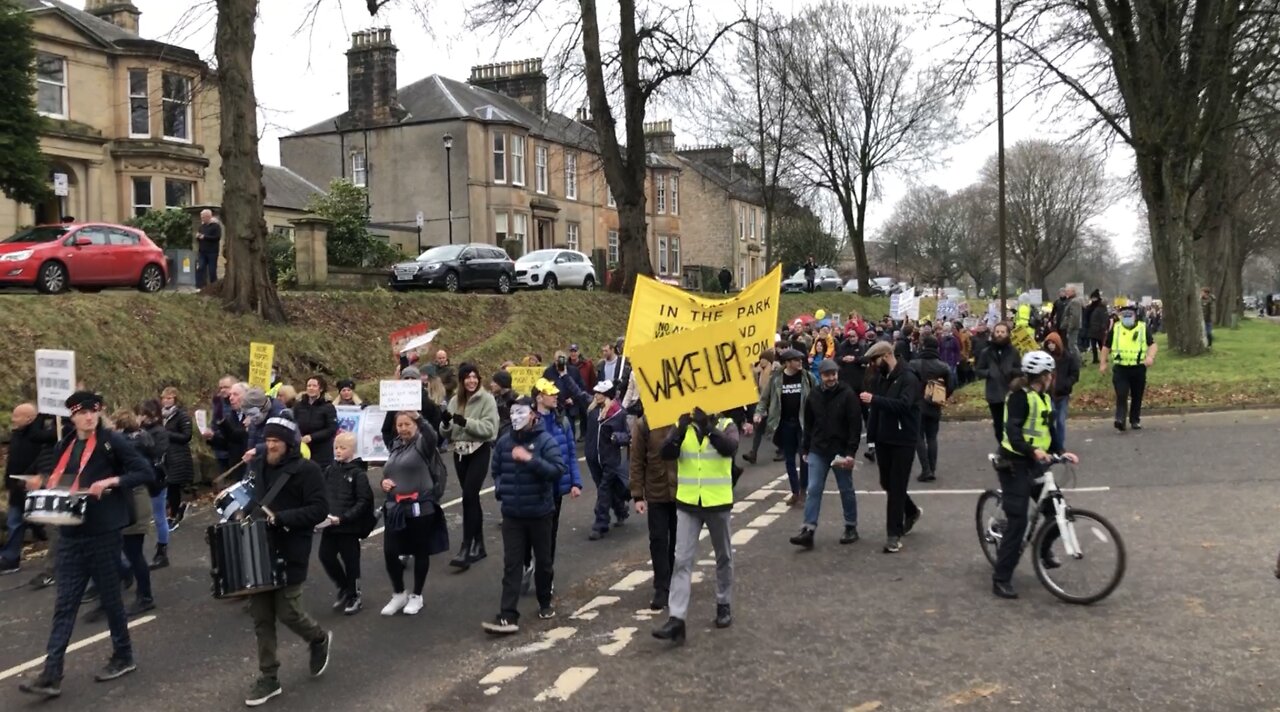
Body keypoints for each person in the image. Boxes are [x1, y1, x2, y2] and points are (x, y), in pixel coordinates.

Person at [18, 391, 153, 699]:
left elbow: (144, 471)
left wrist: (111, 482)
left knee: (110, 598)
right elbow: (65, 481)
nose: (89, 417)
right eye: (82, 413)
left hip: (103, 532)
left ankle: (124, 655)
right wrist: (42, 483)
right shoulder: (65, 444)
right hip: (71, 533)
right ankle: (51, 674)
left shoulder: (111, 441)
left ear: (98, 413)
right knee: (64, 604)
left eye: (93, 412)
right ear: (73, 417)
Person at [241, 415, 331, 707]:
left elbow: (319, 510)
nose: (271, 446)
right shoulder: (259, 465)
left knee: (288, 611)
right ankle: (269, 677)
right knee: (261, 617)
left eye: (276, 441)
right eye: (267, 441)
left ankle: (318, 638)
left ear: (289, 443)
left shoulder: (309, 471)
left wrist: (281, 519)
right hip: (258, 550)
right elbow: (253, 499)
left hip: (291, 549)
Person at [991, 351, 1080, 599]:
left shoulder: (1043, 398)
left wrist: (1061, 452)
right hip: (1013, 463)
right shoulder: (1019, 398)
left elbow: (1047, 432)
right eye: (1050, 374)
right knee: (1018, 522)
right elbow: (1013, 432)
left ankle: (1042, 549)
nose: (1053, 377)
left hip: (1034, 462)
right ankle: (1001, 578)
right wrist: (1033, 451)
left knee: (1060, 512)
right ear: (1041, 376)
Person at [652, 408, 738, 645]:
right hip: (688, 502)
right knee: (682, 560)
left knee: (724, 556)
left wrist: (708, 428)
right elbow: (666, 453)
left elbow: (730, 448)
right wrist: (679, 430)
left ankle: (723, 603)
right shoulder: (683, 426)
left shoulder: (726, 423)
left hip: (717, 502)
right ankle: (676, 618)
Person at [483, 398, 566, 634]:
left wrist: (530, 460)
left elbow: (557, 470)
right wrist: (502, 489)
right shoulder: (503, 442)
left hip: (540, 512)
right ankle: (507, 615)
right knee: (512, 565)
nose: (517, 418)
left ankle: (544, 601)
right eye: (513, 413)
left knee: (543, 561)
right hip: (512, 515)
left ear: (533, 415)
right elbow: (496, 470)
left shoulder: (544, 440)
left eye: (522, 413)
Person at [379, 412, 448, 616]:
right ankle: (399, 593)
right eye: (399, 425)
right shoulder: (395, 445)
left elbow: (432, 435)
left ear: (415, 425)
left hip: (421, 506)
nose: (403, 428)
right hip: (395, 507)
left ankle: (417, 596)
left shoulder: (423, 444)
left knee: (420, 551)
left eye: (407, 424)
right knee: (390, 552)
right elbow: (389, 472)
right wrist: (383, 483)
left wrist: (419, 417)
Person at [790, 359, 862, 548]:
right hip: (818, 449)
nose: (831, 378)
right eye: (827, 374)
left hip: (840, 450)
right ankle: (808, 530)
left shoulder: (847, 395)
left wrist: (850, 452)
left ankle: (850, 526)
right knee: (813, 489)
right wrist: (805, 448)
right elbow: (809, 424)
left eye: (833, 374)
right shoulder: (813, 395)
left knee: (845, 488)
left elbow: (855, 425)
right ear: (820, 376)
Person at [861, 341, 924, 554]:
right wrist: (871, 438)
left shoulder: (909, 378)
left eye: (874, 360)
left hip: (904, 439)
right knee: (886, 482)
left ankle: (893, 535)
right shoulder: (881, 378)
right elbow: (876, 412)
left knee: (896, 487)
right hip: (883, 439)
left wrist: (875, 399)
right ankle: (911, 511)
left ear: (887, 355)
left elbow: (904, 406)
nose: (873, 365)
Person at [525, 379, 582, 595]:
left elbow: (570, 454)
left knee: (550, 535)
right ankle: (526, 562)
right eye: (550, 394)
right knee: (528, 533)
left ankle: (545, 576)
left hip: (555, 489)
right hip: (533, 488)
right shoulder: (528, 421)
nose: (555, 396)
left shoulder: (563, 422)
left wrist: (575, 482)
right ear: (539, 397)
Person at [441, 364, 500, 570]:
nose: (471, 381)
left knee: (468, 497)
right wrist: (446, 423)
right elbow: (446, 433)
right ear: (462, 381)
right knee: (471, 499)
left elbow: (490, 429)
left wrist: (466, 422)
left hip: (479, 451)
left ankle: (466, 547)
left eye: (474, 377)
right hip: (459, 453)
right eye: (467, 377)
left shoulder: (487, 399)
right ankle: (479, 544)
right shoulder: (455, 400)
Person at [107, 409, 157, 617]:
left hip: (134, 499)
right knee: (121, 549)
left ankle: (145, 597)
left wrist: (115, 480)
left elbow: (144, 471)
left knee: (134, 552)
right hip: (126, 499)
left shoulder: (122, 445)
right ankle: (126, 576)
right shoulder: (133, 440)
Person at [630, 403, 678, 611]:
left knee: (678, 540)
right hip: (656, 492)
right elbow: (637, 460)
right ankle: (661, 586)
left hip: (682, 492)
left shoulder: (682, 418)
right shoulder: (644, 424)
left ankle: (675, 579)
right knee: (658, 539)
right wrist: (637, 495)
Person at [319, 432, 373, 616]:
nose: (338, 451)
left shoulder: (358, 474)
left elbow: (364, 501)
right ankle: (343, 587)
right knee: (325, 556)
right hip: (330, 524)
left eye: (343, 448)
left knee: (351, 562)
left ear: (352, 450)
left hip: (348, 527)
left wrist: (344, 518)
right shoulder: (329, 470)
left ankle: (354, 595)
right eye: (336, 447)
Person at [1, 403, 56, 575]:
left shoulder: (38, 435)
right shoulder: (17, 434)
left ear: (29, 418)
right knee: (15, 522)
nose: (13, 419)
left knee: (43, 522)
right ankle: (10, 558)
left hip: (33, 484)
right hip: (18, 485)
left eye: (17, 416)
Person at [754, 349, 814, 506]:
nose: (800, 362)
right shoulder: (776, 379)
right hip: (784, 424)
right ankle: (795, 491)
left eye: (801, 359)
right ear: (787, 363)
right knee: (789, 459)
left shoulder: (807, 377)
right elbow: (764, 399)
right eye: (796, 360)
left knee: (804, 457)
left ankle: (803, 491)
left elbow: (818, 395)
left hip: (803, 424)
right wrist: (759, 413)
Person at [584, 380, 630, 539]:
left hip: (610, 459)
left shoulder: (619, 413)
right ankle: (620, 510)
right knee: (604, 488)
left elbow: (627, 435)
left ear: (608, 395)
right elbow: (577, 392)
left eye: (600, 393)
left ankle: (600, 524)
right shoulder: (592, 410)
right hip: (593, 458)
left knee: (603, 490)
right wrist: (564, 375)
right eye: (595, 392)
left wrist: (617, 437)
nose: (596, 395)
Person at [1100, 304, 1157, 432]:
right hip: (1121, 368)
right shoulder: (1116, 328)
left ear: (1135, 316)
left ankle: (1135, 420)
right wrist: (1103, 363)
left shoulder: (1142, 328)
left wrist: (1150, 357)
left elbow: (1152, 345)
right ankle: (1120, 419)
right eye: (1124, 315)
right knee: (1121, 394)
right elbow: (1106, 347)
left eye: (1129, 315)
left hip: (1138, 368)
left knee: (1137, 395)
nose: (1126, 318)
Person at [909, 336, 953, 483]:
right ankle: (932, 469)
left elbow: (908, 383)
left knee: (918, 437)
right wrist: (940, 396)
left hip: (917, 404)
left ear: (924, 346)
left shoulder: (914, 364)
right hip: (934, 404)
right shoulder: (943, 366)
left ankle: (926, 469)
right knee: (932, 437)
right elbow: (951, 386)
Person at [137, 400, 172, 569]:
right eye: (142, 414)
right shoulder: (138, 431)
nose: (143, 418)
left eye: (147, 415)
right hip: (140, 477)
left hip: (156, 477)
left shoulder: (160, 432)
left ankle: (162, 551)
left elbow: (158, 452)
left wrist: (143, 440)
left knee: (159, 517)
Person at [975, 322, 1020, 446]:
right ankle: (1002, 446)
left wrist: (1011, 371)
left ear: (1008, 334)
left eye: (1002, 332)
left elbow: (1019, 369)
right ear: (993, 333)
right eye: (997, 332)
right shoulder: (986, 352)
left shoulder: (1013, 352)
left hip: (1010, 392)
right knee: (998, 423)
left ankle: (1012, 446)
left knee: (1011, 423)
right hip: (994, 393)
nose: (1000, 334)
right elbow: (978, 369)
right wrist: (989, 372)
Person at [160, 387, 195, 531]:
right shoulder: (161, 416)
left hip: (178, 455)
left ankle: (173, 515)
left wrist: (167, 434)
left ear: (175, 399)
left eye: (169, 398)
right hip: (165, 455)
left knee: (173, 485)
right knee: (167, 485)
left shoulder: (182, 416)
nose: (166, 401)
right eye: (164, 398)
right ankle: (173, 510)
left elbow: (186, 436)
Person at [1043, 333, 1080, 452]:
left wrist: (1067, 384)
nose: (1051, 346)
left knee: (1061, 421)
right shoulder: (1045, 357)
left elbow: (1074, 373)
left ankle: (1059, 446)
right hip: (1049, 394)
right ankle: (1050, 444)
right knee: (1050, 421)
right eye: (1048, 343)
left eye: (1053, 343)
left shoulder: (1068, 358)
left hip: (1063, 394)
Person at [294, 376, 338, 466]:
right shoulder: (298, 406)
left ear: (321, 389)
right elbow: (293, 423)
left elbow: (332, 429)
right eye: (309, 386)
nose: (311, 388)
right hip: (302, 448)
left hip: (322, 451)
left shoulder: (328, 407)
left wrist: (312, 437)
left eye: (314, 386)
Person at [206, 376, 236, 471]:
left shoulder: (238, 405)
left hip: (234, 451)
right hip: (220, 449)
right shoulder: (218, 403)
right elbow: (214, 423)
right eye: (221, 388)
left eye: (226, 387)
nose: (223, 390)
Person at [567, 345, 596, 437]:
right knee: (572, 416)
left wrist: (593, 394)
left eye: (575, 351)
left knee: (585, 416)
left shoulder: (587, 365)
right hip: (571, 396)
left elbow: (592, 380)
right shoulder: (566, 365)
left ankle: (585, 436)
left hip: (585, 394)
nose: (573, 353)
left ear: (578, 352)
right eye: (571, 351)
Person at [195, 209, 221, 288]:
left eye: (203, 217)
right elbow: (199, 238)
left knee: (212, 270)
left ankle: (214, 287)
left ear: (208, 216)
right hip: (202, 252)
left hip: (212, 252)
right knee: (200, 268)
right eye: (201, 217)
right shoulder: (202, 227)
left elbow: (217, 237)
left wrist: (205, 237)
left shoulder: (216, 226)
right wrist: (198, 237)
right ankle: (200, 287)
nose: (202, 219)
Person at [1059, 287, 1083, 356]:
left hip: (1073, 326)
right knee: (1071, 345)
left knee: (1072, 345)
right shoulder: (1071, 301)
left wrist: (1070, 327)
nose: (1066, 292)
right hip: (1071, 326)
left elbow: (1074, 316)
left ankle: (1077, 360)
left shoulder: (1074, 301)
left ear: (1073, 292)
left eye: (1068, 291)